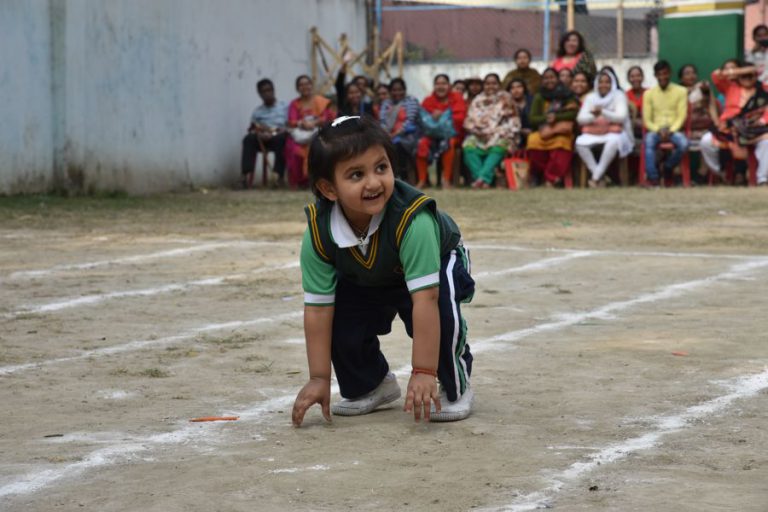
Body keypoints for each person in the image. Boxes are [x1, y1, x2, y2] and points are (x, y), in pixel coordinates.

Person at [291, 115, 476, 427]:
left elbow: (426, 299)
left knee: (441, 309)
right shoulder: (319, 233)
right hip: (372, 271)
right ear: (328, 188)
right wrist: (319, 378)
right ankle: (371, 383)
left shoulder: (412, 220)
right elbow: (318, 310)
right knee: (341, 313)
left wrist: (423, 371)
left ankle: (455, 386)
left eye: (381, 167)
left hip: (435, 263)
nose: (374, 182)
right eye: (356, 174)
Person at [701, 62, 768, 184]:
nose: (747, 79)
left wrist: (763, 121)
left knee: (766, 142)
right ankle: (719, 172)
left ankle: (762, 179)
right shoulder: (730, 87)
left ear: (755, 76)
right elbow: (716, 75)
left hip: (754, 129)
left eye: (750, 76)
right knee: (706, 141)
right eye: (744, 76)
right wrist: (740, 71)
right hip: (729, 129)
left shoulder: (763, 89)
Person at [575, 69, 634, 187]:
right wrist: (593, 116)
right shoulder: (591, 97)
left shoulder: (619, 95)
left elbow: (621, 117)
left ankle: (595, 178)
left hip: (615, 132)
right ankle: (600, 176)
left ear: (612, 83)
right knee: (580, 143)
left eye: (607, 82)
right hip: (594, 132)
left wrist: (603, 112)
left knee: (613, 141)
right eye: (601, 82)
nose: (603, 85)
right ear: (596, 83)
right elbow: (580, 119)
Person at [462, 73, 521, 188]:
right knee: (468, 145)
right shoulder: (478, 100)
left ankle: (482, 179)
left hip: (500, 134)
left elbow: (514, 122)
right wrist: (478, 130)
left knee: (500, 145)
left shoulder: (506, 99)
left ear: (499, 85)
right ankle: (482, 179)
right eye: (487, 84)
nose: (490, 86)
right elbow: (469, 121)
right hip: (480, 135)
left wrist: (496, 131)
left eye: (494, 83)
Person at [526, 67, 580, 186]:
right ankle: (546, 175)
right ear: (542, 80)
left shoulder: (567, 94)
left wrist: (556, 117)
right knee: (533, 140)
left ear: (557, 79)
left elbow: (574, 113)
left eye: (552, 77)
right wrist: (546, 118)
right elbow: (533, 118)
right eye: (546, 78)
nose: (549, 80)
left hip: (561, 131)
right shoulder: (539, 96)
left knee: (561, 143)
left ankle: (552, 177)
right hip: (544, 130)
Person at [641, 60, 689, 187]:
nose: (662, 77)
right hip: (655, 130)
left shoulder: (681, 91)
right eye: (659, 74)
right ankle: (653, 178)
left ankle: (668, 167)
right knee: (649, 142)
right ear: (655, 75)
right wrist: (658, 130)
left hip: (674, 130)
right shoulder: (648, 94)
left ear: (670, 73)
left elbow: (682, 115)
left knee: (684, 144)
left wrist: (671, 130)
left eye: (665, 73)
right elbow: (647, 119)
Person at [415, 74, 468, 189]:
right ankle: (422, 180)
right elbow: (423, 119)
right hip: (431, 135)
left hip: (451, 134)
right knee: (421, 143)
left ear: (449, 85)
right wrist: (433, 118)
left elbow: (460, 118)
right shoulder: (428, 100)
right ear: (434, 86)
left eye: (443, 83)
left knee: (448, 143)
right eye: (438, 84)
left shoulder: (456, 98)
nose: (441, 87)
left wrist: (444, 116)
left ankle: (446, 180)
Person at [285, 75, 336, 189]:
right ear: (297, 88)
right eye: (301, 85)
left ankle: (317, 181)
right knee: (293, 149)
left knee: (320, 147)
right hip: (301, 136)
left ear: (311, 85)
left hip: (319, 134)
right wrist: (301, 123)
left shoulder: (321, 102)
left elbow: (330, 118)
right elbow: (291, 120)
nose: (305, 87)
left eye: (307, 84)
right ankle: (300, 182)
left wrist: (316, 122)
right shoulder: (295, 104)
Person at [241, 79, 288, 189]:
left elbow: (289, 125)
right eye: (263, 91)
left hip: (278, 136)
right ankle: (244, 176)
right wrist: (260, 133)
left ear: (273, 90)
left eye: (269, 90)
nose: (267, 93)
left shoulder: (284, 107)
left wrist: (275, 132)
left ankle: (278, 177)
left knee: (282, 139)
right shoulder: (257, 111)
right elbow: (252, 127)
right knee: (248, 139)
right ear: (259, 94)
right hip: (261, 138)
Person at [379, 78, 421, 181]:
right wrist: (387, 134)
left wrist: (395, 134)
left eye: (400, 90)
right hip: (388, 136)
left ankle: (403, 178)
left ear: (404, 90)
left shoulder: (411, 101)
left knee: (398, 145)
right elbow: (382, 121)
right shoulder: (386, 103)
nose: (397, 92)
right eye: (394, 90)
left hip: (408, 135)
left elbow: (410, 121)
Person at [508, 78, 533, 146]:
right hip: (513, 135)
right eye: (512, 88)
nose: (516, 90)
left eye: (519, 87)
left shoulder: (532, 101)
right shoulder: (506, 104)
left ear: (524, 88)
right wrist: (521, 131)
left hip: (532, 133)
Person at [626, 66, 646, 138]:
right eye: (632, 76)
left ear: (642, 77)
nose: (635, 79)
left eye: (638, 76)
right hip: (631, 130)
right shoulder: (625, 96)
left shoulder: (649, 93)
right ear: (628, 79)